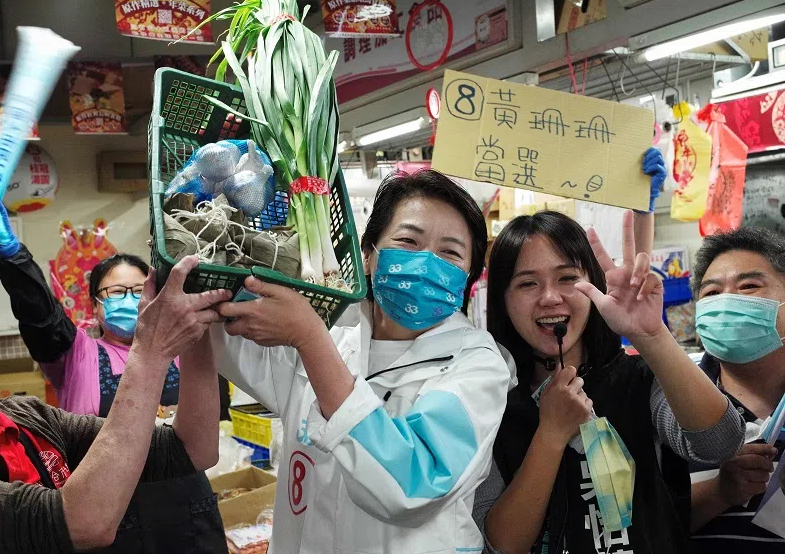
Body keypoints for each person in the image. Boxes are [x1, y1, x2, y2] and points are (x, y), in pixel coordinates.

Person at [0, 203, 230, 553]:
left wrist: (197, 320)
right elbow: (82, 523)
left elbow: (193, 448)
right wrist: (151, 351)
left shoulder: (28, 420)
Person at [211, 170, 516, 553]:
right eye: (407, 241)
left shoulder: (477, 365)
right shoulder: (336, 331)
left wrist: (310, 339)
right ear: (368, 255)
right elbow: (226, 340)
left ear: (466, 279)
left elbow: (412, 484)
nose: (425, 263)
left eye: (449, 253)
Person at [474, 209, 745, 554]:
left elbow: (721, 444)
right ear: (502, 300)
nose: (550, 297)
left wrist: (651, 335)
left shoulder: (639, 380)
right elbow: (499, 545)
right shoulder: (490, 404)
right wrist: (551, 434)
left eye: (568, 278)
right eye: (527, 283)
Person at [0, 195, 226, 417]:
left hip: (186, 475)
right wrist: (12, 254)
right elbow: (42, 316)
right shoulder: (77, 355)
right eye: (116, 292)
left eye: (139, 291)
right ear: (95, 305)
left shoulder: (181, 349)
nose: (130, 299)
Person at [689, 226, 785, 552]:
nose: (728, 301)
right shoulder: (667, 404)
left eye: (748, 286)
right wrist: (719, 492)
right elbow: (635, 525)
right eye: (712, 294)